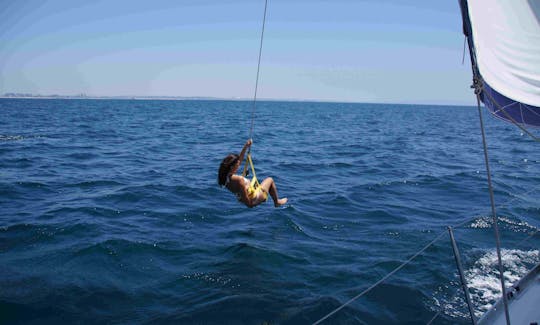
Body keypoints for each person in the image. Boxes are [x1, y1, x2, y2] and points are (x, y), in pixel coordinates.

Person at [218, 139, 288, 208]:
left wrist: (246, 146)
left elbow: (240, 159)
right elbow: (249, 204)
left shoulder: (225, 177)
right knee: (270, 180)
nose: (239, 163)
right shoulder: (239, 180)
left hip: (244, 196)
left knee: (264, 184)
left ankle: (269, 198)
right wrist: (258, 200)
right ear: (233, 166)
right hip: (254, 197)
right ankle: (277, 202)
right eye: (237, 164)